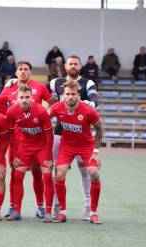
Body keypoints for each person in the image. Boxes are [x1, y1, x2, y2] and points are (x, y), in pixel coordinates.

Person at [0, 61, 57, 219]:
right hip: (19, 141)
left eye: (26, 69)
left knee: (41, 173)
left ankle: (43, 208)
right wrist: (6, 114)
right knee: (15, 173)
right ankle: (14, 208)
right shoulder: (9, 88)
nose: (23, 72)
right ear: (16, 72)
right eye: (20, 69)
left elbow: (54, 104)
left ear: (30, 72)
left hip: (39, 140)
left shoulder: (40, 89)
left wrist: (52, 112)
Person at [48, 55, 99, 220]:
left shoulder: (87, 83)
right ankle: (58, 207)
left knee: (85, 171)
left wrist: (92, 103)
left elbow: (94, 97)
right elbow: (39, 95)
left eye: (76, 63)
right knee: (58, 171)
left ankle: (88, 208)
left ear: (80, 65)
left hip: (81, 133)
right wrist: (14, 81)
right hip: (59, 133)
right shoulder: (55, 82)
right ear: (65, 65)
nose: (73, 66)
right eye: (70, 63)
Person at [5, 85, 54, 222]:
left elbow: (49, 135)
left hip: (42, 146)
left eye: (27, 97)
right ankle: (16, 211)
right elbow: (10, 134)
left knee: (47, 175)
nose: (24, 100)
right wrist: (14, 155)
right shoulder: (11, 111)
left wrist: (49, 157)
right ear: (17, 99)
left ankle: (48, 212)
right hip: (25, 146)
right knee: (18, 174)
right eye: (21, 97)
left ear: (32, 98)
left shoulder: (41, 111)